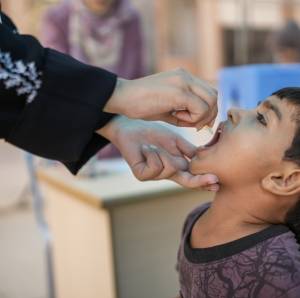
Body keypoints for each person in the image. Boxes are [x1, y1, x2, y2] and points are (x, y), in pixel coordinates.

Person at [0, 10, 219, 190]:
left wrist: (114, 124)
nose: (232, 113)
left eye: (256, 117)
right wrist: (119, 93)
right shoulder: (58, 17)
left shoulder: (131, 17)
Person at [176, 88, 300, 298]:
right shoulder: (195, 219)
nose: (234, 111)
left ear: (283, 180)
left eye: (261, 119)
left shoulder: (281, 272)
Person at [42, 0, 145, 159]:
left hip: (123, 136)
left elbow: (138, 77)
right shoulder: (57, 18)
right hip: (72, 134)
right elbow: (59, 80)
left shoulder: (130, 17)